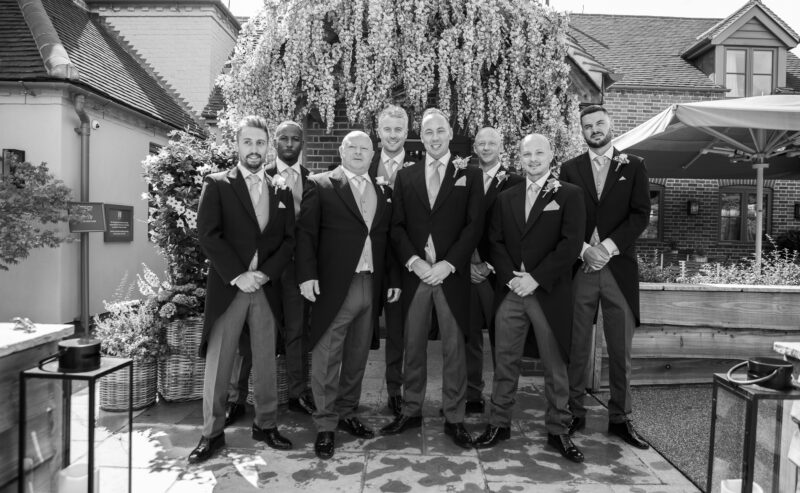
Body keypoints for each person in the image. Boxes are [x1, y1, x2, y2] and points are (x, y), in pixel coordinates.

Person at [474, 133, 586, 463]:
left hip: (547, 292)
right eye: (527, 154)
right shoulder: (506, 197)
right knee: (504, 360)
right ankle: (499, 423)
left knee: (555, 365)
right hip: (510, 292)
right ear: (519, 158)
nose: (533, 159)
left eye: (539, 152)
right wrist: (512, 279)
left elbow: (570, 245)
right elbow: (494, 241)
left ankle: (558, 429)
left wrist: (535, 279)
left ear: (552, 155)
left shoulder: (570, 195)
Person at [190, 115, 295, 463]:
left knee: (266, 360)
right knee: (220, 363)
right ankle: (212, 433)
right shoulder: (218, 184)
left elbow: (287, 241)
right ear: (237, 145)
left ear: (268, 147)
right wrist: (239, 274)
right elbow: (208, 234)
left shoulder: (280, 189)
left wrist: (264, 274)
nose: (254, 149)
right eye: (248, 142)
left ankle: (266, 424)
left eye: (260, 143)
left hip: (265, 289)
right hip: (230, 288)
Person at [380, 108, 484, 449]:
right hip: (417, 276)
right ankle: (410, 410)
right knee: (412, 345)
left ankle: (454, 417)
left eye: (440, 131)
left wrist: (449, 264)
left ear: (450, 132)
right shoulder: (406, 176)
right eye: (428, 132)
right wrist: (413, 261)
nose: (435, 137)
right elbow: (396, 226)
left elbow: (474, 227)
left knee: (454, 348)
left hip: (450, 276)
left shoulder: (470, 174)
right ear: (420, 137)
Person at [296, 131, 400, 459]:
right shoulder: (321, 184)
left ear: (373, 155)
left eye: (364, 148)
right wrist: (307, 275)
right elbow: (306, 234)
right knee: (328, 356)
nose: (358, 152)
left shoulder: (383, 190)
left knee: (357, 356)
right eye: (351, 147)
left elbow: (388, 238)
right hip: (335, 285)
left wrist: (393, 279)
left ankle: (347, 411)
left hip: (371, 282)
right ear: (342, 151)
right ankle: (326, 423)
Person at [562, 105, 651, 449]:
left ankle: (620, 418)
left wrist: (608, 247)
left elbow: (640, 214)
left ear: (611, 125)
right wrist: (585, 250)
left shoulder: (635, 166)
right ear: (581, 131)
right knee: (576, 345)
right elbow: (565, 220)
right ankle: (573, 412)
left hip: (618, 269)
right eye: (588, 125)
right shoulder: (569, 169)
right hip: (582, 267)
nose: (595, 129)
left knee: (620, 348)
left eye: (600, 123)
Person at [225, 121, 316, 426]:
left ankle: (297, 393)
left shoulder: (312, 180)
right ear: (274, 143)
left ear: (302, 143)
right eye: (283, 139)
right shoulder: (262, 176)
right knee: (247, 335)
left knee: (295, 331)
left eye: (295, 139)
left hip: (294, 270)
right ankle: (235, 397)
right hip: (260, 270)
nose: (290, 143)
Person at [368, 105, 422, 417]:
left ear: (407, 132)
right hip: (368, 260)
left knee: (398, 332)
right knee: (360, 329)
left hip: (402, 262)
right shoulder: (363, 161)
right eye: (387, 129)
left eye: (398, 130)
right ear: (379, 131)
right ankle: (347, 391)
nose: (392, 135)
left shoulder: (417, 167)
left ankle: (394, 389)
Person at [467, 127, 524, 413]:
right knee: (469, 336)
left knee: (501, 339)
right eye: (481, 143)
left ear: (501, 146)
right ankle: (471, 396)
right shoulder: (463, 177)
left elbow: (516, 232)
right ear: (475, 148)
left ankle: (501, 401)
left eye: (492, 142)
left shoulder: (515, 181)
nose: (486, 147)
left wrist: (488, 265)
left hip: (496, 272)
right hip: (466, 269)